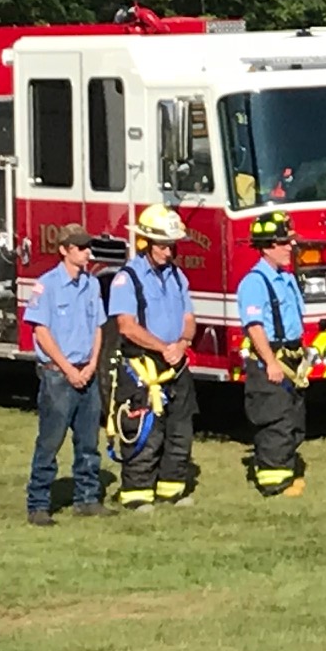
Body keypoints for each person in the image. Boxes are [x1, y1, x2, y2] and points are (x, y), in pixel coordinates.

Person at [107, 204, 197, 509]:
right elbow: (127, 326)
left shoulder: (177, 276)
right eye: (163, 246)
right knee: (144, 431)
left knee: (180, 430)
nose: (169, 252)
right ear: (145, 242)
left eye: (172, 246)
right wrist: (164, 348)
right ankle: (137, 494)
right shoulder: (127, 278)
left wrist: (183, 343)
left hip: (177, 362)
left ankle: (172, 489)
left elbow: (189, 316)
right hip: (143, 367)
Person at [23, 226, 108, 525]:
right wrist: (69, 369)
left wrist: (92, 364)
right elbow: (41, 332)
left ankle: (87, 498)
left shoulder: (92, 285)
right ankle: (38, 504)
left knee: (88, 443)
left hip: (87, 371)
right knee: (50, 442)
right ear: (65, 249)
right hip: (58, 376)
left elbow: (99, 327)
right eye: (81, 247)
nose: (87, 252)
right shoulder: (47, 286)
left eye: (88, 246)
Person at [238, 212, 309, 498]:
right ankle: (273, 481)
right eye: (283, 242)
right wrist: (271, 362)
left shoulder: (287, 278)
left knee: (293, 419)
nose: (289, 247)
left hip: (290, 358)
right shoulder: (255, 282)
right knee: (274, 419)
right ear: (267, 246)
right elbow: (255, 327)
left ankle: (286, 472)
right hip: (271, 360)